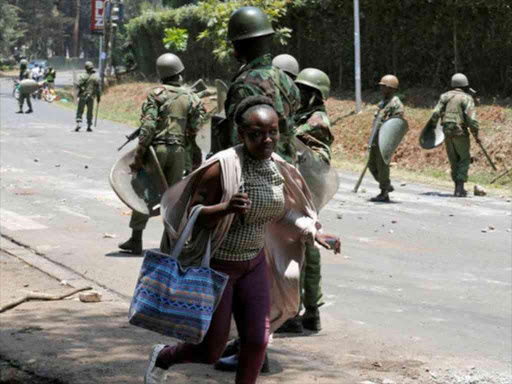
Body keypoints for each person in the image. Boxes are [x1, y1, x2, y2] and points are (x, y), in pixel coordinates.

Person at [143, 95, 340, 384]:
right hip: (219, 269)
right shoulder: (221, 167)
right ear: (241, 134)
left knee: (257, 341)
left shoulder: (277, 168)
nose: (267, 140)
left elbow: (283, 212)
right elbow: (191, 218)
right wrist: (225, 208)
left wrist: (314, 231)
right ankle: (164, 356)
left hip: (254, 265)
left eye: (272, 132)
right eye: (256, 134)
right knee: (211, 350)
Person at [118, 53, 205, 255]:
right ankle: (169, 244)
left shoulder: (156, 94)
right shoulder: (191, 97)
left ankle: (136, 239)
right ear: (180, 73)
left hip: (157, 151)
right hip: (179, 152)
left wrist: (138, 157)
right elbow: (194, 129)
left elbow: (148, 127)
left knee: (144, 193)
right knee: (174, 198)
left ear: (161, 75)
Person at [276, 68, 334, 334]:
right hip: (301, 185)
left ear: (315, 95)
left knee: (303, 247)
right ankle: (309, 311)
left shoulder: (317, 118)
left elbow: (294, 140)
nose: (299, 94)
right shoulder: (301, 114)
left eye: (305, 91)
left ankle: (300, 311)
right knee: (303, 245)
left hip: (308, 187)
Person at [219, 6, 301, 165]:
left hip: (258, 174)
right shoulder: (286, 79)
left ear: (240, 45)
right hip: (287, 169)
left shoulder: (243, 85)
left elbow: (236, 141)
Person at [430, 73, 479, 197]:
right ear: (465, 85)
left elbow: (435, 112)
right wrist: (476, 133)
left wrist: (432, 127)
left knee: (454, 160)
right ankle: (460, 188)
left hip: (446, 132)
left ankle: (457, 187)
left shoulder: (445, 96)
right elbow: (471, 119)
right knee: (464, 159)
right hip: (460, 132)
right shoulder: (466, 98)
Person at [368, 74, 404, 202]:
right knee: (371, 164)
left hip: (386, 140)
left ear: (391, 88)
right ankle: (386, 185)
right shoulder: (382, 102)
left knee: (382, 166)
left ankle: (384, 191)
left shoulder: (396, 104)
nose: (381, 89)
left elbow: (397, 124)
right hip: (376, 138)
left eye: (384, 87)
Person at [75, 61, 101, 132]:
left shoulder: (82, 76)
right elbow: (98, 89)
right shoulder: (96, 77)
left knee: (80, 110)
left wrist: (80, 90)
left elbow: (77, 84)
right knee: (90, 112)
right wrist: (98, 97)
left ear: (85, 68)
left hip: (83, 95)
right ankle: (89, 126)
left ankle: (79, 123)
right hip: (91, 97)